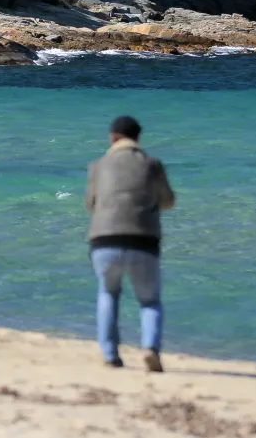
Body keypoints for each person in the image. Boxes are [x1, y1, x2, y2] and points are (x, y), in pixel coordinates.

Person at [84, 115, 176, 371]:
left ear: (112, 138)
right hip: (143, 239)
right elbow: (168, 201)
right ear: (138, 138)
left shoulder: (97, 166)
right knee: (149, 301)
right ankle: (150, 348)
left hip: (104, 240)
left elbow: (90, 204)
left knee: (108, 293)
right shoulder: (152, 165)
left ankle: (110, 354)